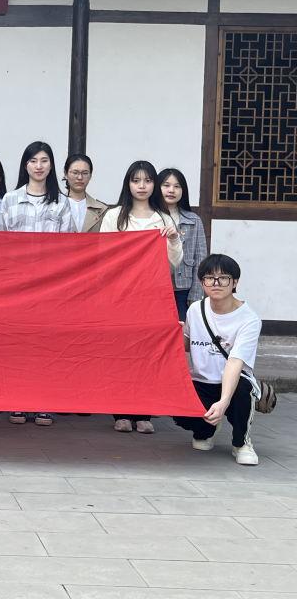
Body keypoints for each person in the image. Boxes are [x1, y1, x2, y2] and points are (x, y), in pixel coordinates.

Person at [101, 160, 184, 435]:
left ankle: (143, 413)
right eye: (136, 180)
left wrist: (173, 239)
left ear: (154, 185)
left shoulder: (164, 218)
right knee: (121, 353)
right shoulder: (114, 216)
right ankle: (121, 413)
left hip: (152, 297)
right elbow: (105, 256)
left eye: (147, 180)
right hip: (121, 296)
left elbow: (173, 262)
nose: (142, 186)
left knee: (148, 354)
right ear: (128, 183)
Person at [0, 141, 74, 427]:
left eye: (44, 160)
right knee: (18, 345)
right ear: (25, 165)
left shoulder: (62, 203)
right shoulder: (10, 200)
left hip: (50, 288)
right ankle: (17, 401)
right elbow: (0, 245)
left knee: (46, 345)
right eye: (33, 161)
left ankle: (44, 403)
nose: (38, 166)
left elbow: (68, 249)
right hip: (17, 286)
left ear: (51, 165)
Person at [174, 254, 262, 465]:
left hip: (233, 379)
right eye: (209, 278)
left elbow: (235, 362)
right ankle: (206, 431)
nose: (216, 283)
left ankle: (241, 443)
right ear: (201, 282)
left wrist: (223, 401)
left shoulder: (249, 319)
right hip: (202, 380)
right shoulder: (196, 310)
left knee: (242, 390)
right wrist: (173, 332)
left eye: (223, 278)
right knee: (179, 408)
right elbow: (188, 345)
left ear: (235, 282)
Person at [158, 168, 207, 322]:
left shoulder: (193, 220)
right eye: (166, 185)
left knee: (182, 331)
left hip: (183, 290)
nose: (171, 190)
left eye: (177, 186)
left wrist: (195, 294)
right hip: (154, 288)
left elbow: (200, 260)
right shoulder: (149, 217)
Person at [63, 154, 108, 233]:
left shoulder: (101, 210)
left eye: (85, 173)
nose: (80, 177)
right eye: (75, 172)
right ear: (65, 174)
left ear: (90, 175)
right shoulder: (55, 206)